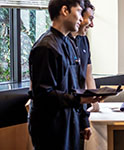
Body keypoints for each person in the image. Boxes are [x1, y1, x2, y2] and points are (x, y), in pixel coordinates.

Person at [28, 0, 103, 149]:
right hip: (51, 127)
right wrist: (80, 99)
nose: (81, 19)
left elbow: (77, 86)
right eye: (78, 12)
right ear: (64, 11)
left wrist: (84, 122)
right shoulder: (45, 47)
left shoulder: (70, 44)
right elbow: (43, 95)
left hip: (72, 123)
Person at [68, 0, 97, 149]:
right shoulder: (55, 45)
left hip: (79, 111)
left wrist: (95, 104)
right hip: (64, 116)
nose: (91, 24)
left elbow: (88, 76)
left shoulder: (83, 40)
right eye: (90, 18)